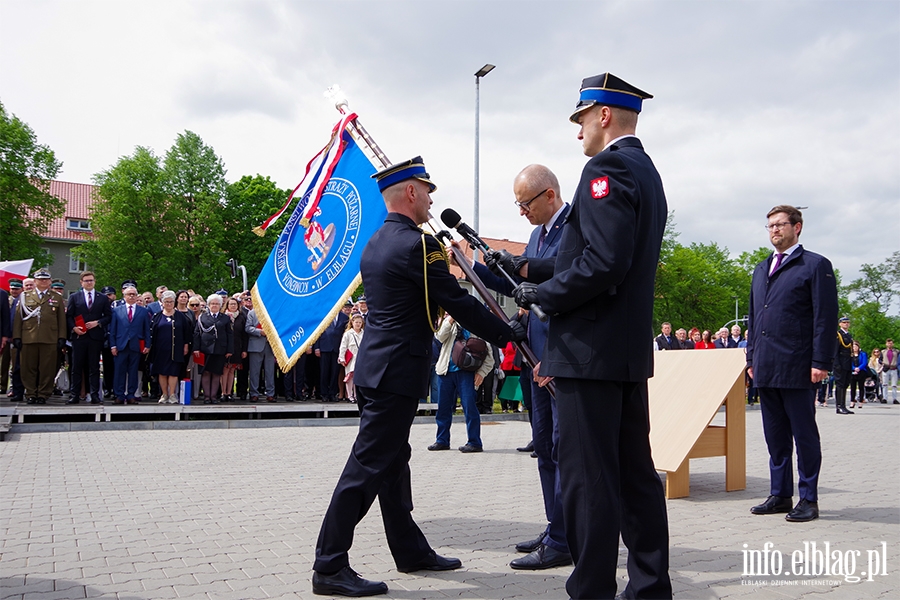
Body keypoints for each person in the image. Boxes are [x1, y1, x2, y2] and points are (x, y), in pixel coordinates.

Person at [311, 156, 525, 597]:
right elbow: (458, 302)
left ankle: (409, 551)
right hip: (397, 372)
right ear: (410, 192)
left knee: (392, 464)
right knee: (368, 466)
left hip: (375, 368)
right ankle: (329, 564)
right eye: (427, 190)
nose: (431, 198)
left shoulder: (374, 243)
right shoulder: (419, 245)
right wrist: (508, 333)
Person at [509, 73, 671, 599]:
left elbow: (603, 263)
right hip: (622, 352)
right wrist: (538, 273)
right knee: (635, 476)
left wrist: (544, 296)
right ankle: (648, 587)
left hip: (588, 354)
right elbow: (608, 258)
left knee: (587, 481)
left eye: (581, 118)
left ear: (603, 115)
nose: (578, 131)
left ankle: (592, 588)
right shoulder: (646, 171)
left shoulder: (605, 168)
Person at [476, 162, 572, 569]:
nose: (522, 212)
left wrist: (554, 357)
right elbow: (520, 289)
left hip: (559, 362)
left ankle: (567, 537)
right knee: (545, 449)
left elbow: (572, 295)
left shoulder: (577, 229)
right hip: (534, 358)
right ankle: (556, 526)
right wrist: (474, 265)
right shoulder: (536, 235)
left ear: (549, 194)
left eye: (525, 203)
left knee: (564, 450)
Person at [747, 204, 838, 523]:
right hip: (766, 366)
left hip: (799, 365)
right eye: (770, 225)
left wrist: (820, 360)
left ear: (797, 227)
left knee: (804, 434)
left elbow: (825, 318)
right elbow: (754, 318)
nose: (774, 230)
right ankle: (781, 494)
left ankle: (809, 498)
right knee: (775, 436)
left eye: (780, 224)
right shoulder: (761, 269)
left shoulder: (814, 265)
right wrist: (751, 359)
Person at [429, 315, 495, 453]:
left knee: (470, 407)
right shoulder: (450, 323)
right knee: (443, 408)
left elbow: (489, 357)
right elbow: (439, 337)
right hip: (445, 371)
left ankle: (474, 442)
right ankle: (442, 440)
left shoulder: (476, 325)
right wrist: (450, 320)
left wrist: (481, 373)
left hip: (467, 373)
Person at [12, 269, 68, 405]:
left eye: (46, 279)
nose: (43, 281)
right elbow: (19, 318)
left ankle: (43, 394)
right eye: (40, 279)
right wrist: (17, 337)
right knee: (28, 367)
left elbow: (61, 319)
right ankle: (31, 393)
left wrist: (62, 337)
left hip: (49, 338)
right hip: (28, 337)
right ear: (35, 281)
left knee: (47, 368)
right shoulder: (25, 296)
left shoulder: (56, 297)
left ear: (49, 281)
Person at [65, 271, 112, 404]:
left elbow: (108, 316)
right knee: (76, 367)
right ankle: (74, 394)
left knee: (94, 367)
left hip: (95, 337)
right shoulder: (75, 297)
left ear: (95, 281)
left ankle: (95, 395)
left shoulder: (102, 298)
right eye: (86, 281)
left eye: (91, 280)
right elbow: (69, 316)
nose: (89, 282)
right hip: (79, 337)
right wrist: (74, 328)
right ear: (81, 282)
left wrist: (98, 323)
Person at [108, 286, 151, 404]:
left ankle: (131, 394)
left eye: (133, 294)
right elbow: (113, 330)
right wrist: (113, 346)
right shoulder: (117, 310)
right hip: (120, 345)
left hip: (136, 345)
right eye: (129, 294)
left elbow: (147, 329)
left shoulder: (143, 311)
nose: (131, 296)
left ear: (137, 296)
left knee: (133, 371)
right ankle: (119, 395)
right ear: (124, 296)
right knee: (119, 371)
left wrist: (147, 344)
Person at [148, 291, 192, 404]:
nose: (169, 304)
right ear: (162, 303)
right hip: (160, 349)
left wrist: (185, 345)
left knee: (173, 372)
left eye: (171, 302)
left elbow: (186, 332)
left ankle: (172, 394)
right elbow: (151, 332)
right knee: (162, 372)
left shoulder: (181, 317)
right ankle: (164, 394)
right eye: (166, 302)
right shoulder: (157, 316)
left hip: (175, 349)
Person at [193, 294, 233, 404]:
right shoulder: (202, 317)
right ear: (208, 305)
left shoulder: (225, 318)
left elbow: (229, 334)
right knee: (206, 373)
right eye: (212, 304)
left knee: (216, 373)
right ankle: (207, 397)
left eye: (216, 304)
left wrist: (229, 350)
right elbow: (197, 333)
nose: (214, 305)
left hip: (220, 350)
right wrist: (196, 348)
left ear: (220, 305)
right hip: (205, 349)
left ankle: (213, 397)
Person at [314, 301, 350, 402]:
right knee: (324, 372)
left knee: (335, 372)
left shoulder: (344, 317)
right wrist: (317, 347)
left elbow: (345, 334)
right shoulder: (324, 316)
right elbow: (317, 333)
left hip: (337, 348)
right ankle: (324, 393)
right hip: (324, 347)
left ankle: (333, 393)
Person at [245, 305, 275, 402]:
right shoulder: (252, 312)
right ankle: (254, 393)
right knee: (254, 372)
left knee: (270, 372)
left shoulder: (273, 311)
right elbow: (248, 328)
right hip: (256, 345)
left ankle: (270, 394)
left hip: (270, 345)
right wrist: (259, 331)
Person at [338, 313, 364, 406]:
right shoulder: (348, 334)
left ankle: (357, 395)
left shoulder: (364, 333)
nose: (358, 324)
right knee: (349, 377)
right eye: (356, 322)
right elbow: (343, 346)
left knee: (359, 377)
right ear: (352, 322)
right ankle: (350, 395)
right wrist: (341, 357)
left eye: (360, 322)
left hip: (361, 358)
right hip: (351, 357)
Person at [220, 297, 242, 401]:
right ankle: (223, 392)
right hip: (225, 347)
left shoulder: (241, 317)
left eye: (235, 304)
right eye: (231, 304)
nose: (233, 306)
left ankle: (229, 393)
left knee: (232, 370)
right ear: (227, 306)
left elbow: (244, 334)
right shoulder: (223, 317)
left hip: (237, 347)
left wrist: (244, 349)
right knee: (224, 370)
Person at [833, 316, 854, 414]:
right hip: (840, 362)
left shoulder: (848, 335)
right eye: (844, 322)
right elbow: (835, 351)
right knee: (840, 384)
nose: (846, 324)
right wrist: (836, 364)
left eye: (847, 322)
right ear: (840, 324)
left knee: (845, 384)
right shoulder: (838, 335)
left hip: (847, 362)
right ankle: (839, 406)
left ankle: (843, 405)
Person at [848, 341, 869, 409]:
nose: (855, 348)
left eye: (856, 346)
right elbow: (849, 363)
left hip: (861, 372)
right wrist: (854, 368)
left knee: (861, 387)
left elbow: (864, 362)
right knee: (853, 387)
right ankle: (852, 401)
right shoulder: (850, 355)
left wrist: (859, 368)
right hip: (853, 372)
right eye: (853, 347)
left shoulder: (863, 354)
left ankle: (860, 401)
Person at [883, 339, 898, 404]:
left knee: (894, 385)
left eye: (891, 343)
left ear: (893, 344)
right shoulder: (883, 351)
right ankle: (885, 398)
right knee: (885, 384)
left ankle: (894, 398)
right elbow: (880, 360)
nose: (890, 344)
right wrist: (883, 363)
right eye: (888, 343)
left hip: (893, 368)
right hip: (886, 368)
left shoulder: (896, 352)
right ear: (886, 344)